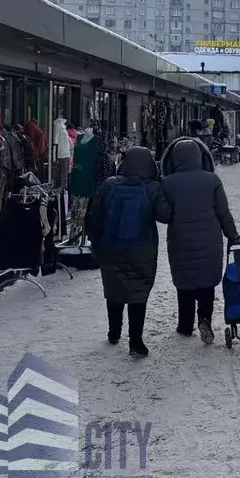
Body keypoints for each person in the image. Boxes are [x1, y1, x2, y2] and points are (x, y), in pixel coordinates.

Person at [157, 137, 239, 344]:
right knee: (206, 285)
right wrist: (232, 235)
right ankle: (205, 321)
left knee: (184, 284)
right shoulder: (212, 180)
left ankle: (185, 326)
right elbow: (223, 212)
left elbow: (164, 215)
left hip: (180, 241)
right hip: (209, 240)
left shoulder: (167, 183)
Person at [85, 146, 162, 358]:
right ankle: (136, 340)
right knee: (138, 293)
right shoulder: (153, 188)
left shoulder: (108, 185)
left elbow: (95, 216)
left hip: (111, 248)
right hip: (142, 250)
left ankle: (114, 331)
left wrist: (95, 242)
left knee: (114, 289)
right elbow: (165, 214)